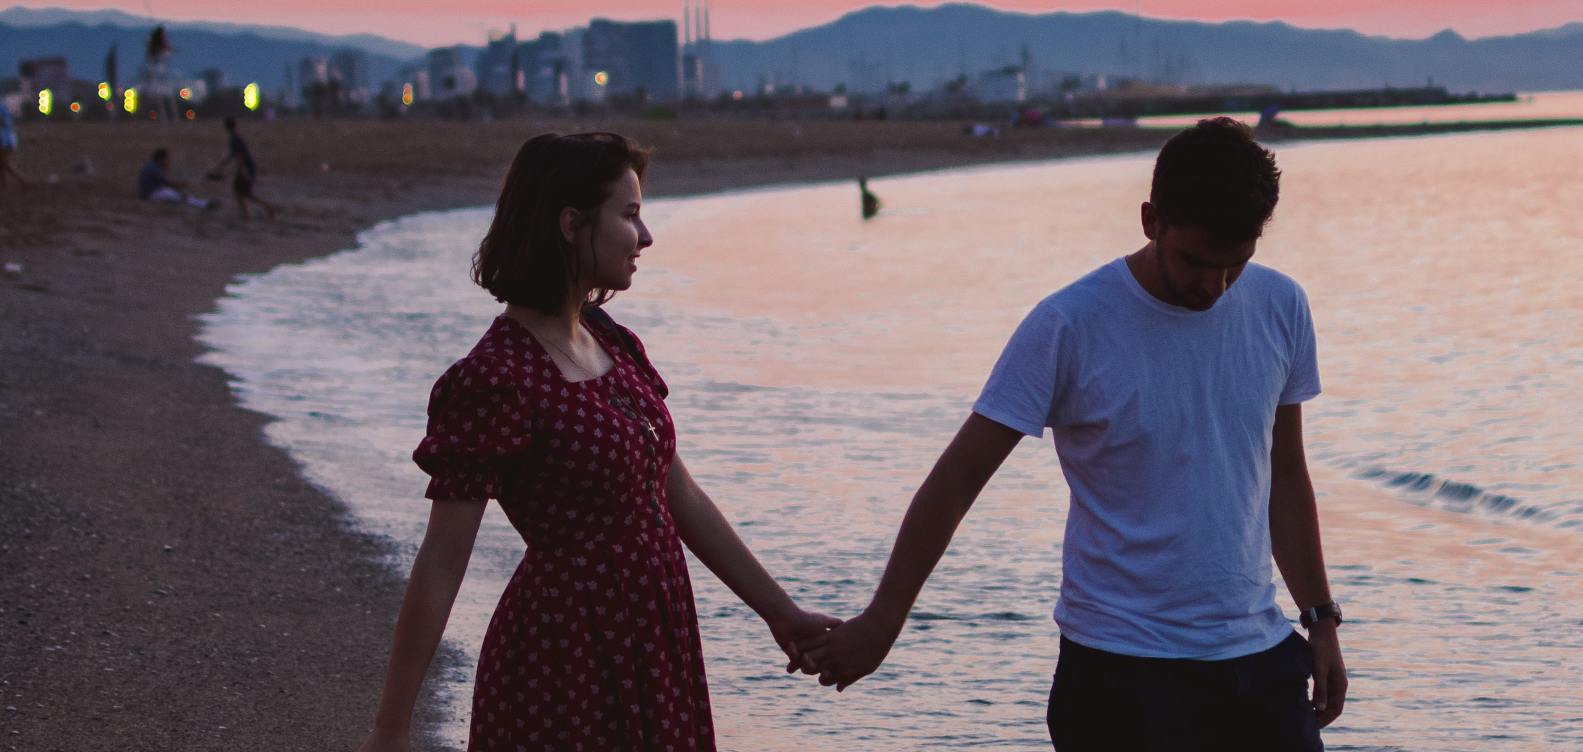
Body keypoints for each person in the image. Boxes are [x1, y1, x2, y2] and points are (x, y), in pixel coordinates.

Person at [803, 117, 1347, 749]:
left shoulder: (1281, 306)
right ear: (1150, 220)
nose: (1213, 287)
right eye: (1196, 262)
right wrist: (882, 622)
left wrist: (1321, 620)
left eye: (1235, 266)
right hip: (1119, 672)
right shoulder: (1069, 324)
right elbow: (957, 479)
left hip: (1259, 661)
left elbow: (1285, 474)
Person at [356, 132, 836, 752]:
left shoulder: (613, 342)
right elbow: (443, 564)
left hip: (656, 638)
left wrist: (781, 612)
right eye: (630, 214)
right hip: (564, 655)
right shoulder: (497, 379)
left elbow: (678, 494)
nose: (647, 235)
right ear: (571, 223)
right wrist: (391, 729)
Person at [207, 116, 277, 219]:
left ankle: (256, 211)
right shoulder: (236, 139)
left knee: (243, 192)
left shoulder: (235, 140)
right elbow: (232, 156)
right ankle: (252, 212)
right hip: (247, 168)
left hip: (245, 169)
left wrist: (241, 171)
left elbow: (239, 157)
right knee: (242, 192)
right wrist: (219, 167)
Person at [137, 147, 213, 209]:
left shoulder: (152, 165)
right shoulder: (155, 168)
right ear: (160, 159)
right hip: (152, 194)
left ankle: (204, 203)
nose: (168, 161)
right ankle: (204, 204)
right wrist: (180, 185)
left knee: (177, 195)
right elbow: (167, 183)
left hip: (150, 192)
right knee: (181, 197)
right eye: (166, 159)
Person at [0, 102, 26, 191]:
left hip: (5, 140)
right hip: (6, 138)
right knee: (2, 165)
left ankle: (22, 180)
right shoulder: (2, 105)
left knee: (4, 164)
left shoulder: (1, 107)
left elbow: (3, 121)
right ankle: (4, 186)